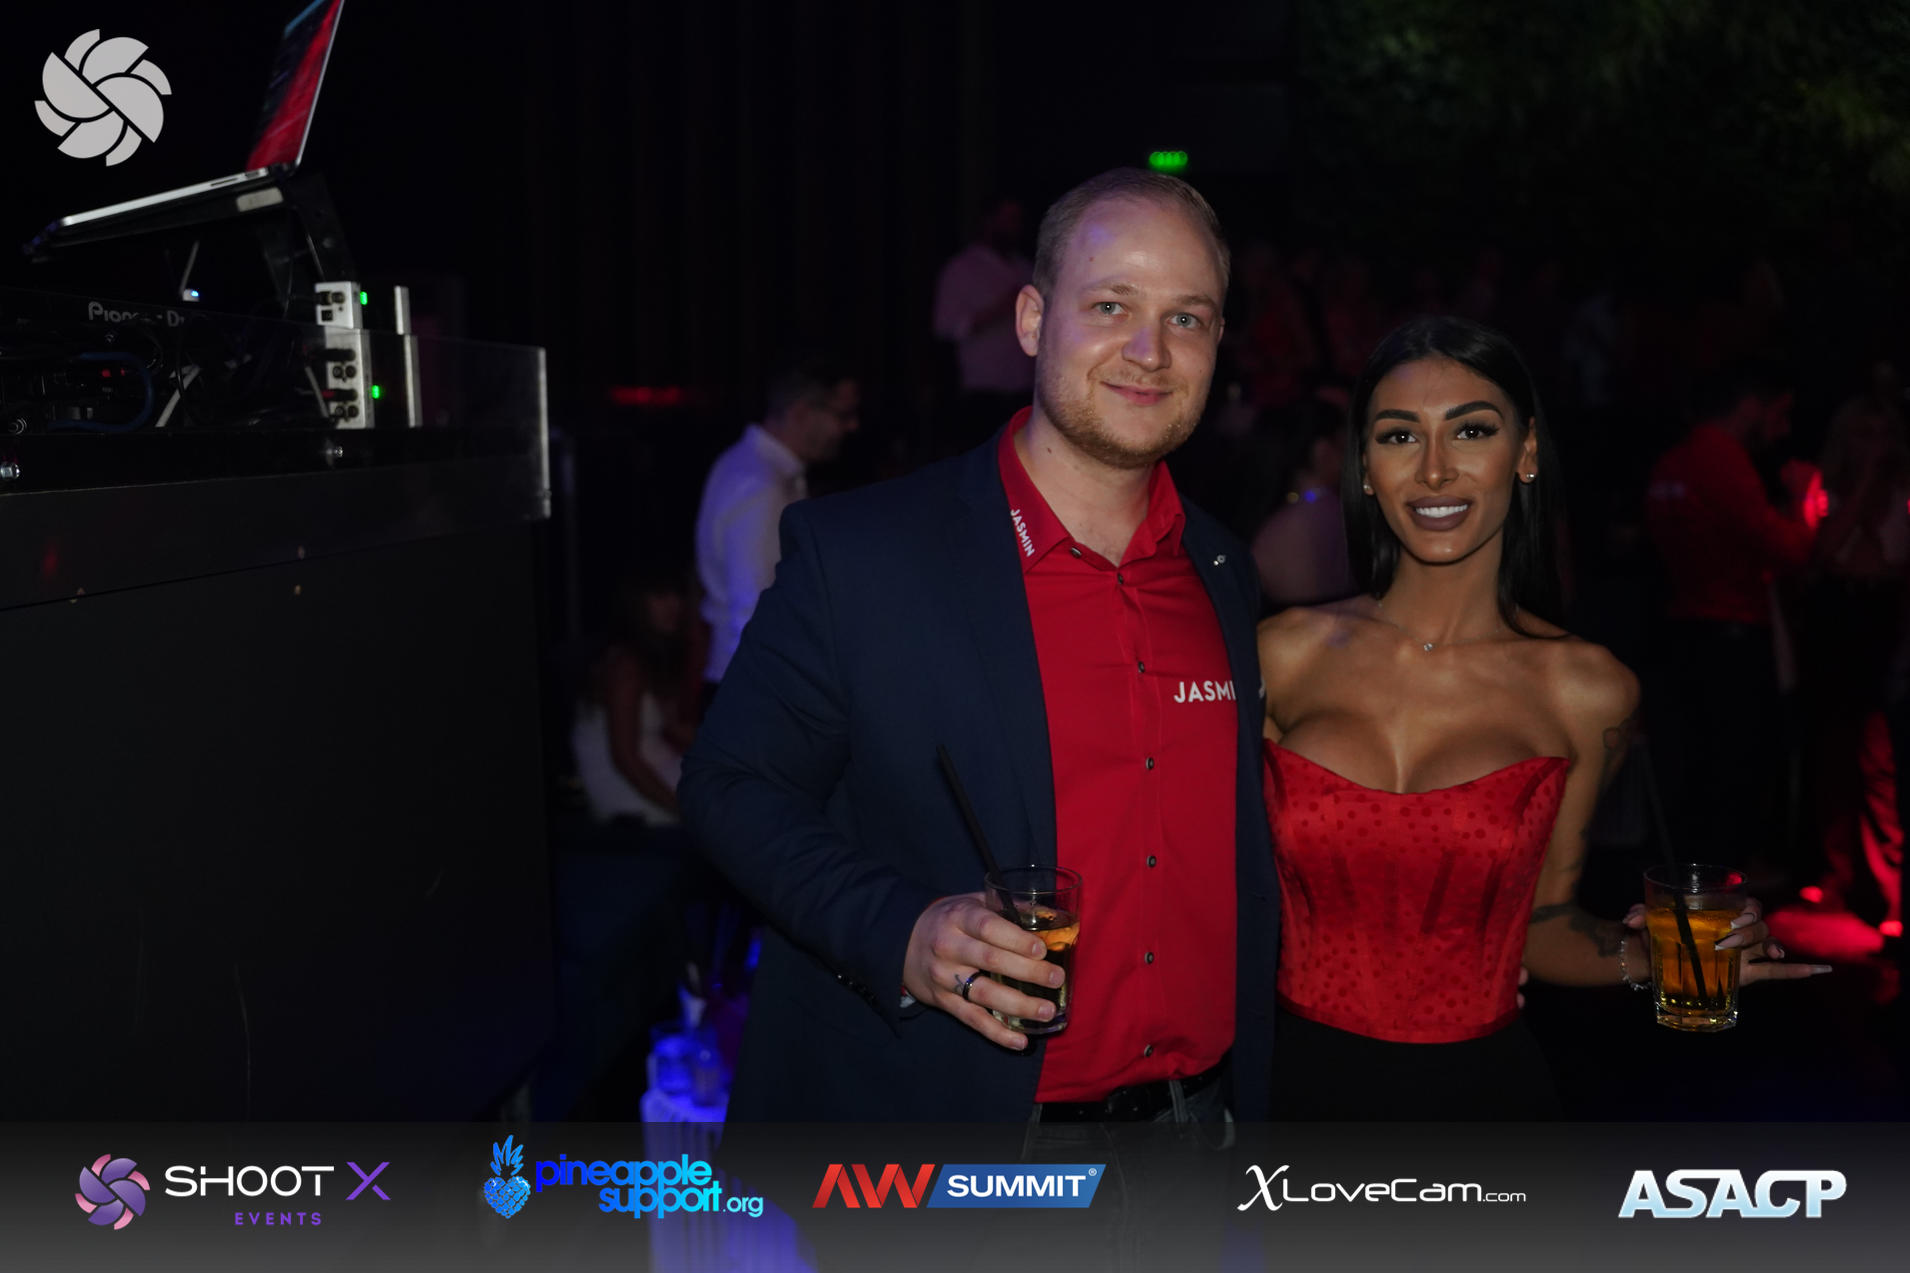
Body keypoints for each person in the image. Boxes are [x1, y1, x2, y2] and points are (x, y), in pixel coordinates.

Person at [678, 169, 1277, 1124]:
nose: (1150, 350)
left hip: (1197, 1136)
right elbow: (729, 785)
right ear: (1032, 321)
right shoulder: (866, 555)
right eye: (1112, 305)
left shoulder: (1222, 571)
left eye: (1187, 318)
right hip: (956, 1138)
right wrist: (903, 931)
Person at [1254, 316, 1827, 1120]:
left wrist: (1656, 955)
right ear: (1366, 467)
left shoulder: (1588, 689)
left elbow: (1543, 926)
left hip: (1486, 1107)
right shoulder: (1280, 655)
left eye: (1472, 430)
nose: (1434, 468)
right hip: (1293, 1097)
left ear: (1524, 452)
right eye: (1398, 436)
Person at [1644, 362, 1815, 870]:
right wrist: (1804, 502)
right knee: (1732, 774)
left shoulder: (1672, 461)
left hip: (1684, 631)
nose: (1782, 430)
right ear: (1750, 405)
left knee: (1696, 773)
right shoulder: (1723, 461)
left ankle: (1695, 881)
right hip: (1731, 637)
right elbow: (1787, 549)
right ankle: (1719, 889)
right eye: (1779, 414)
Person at [692, 361, 859, 714]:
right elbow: (754, 609)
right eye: (842, 414)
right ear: (801, 412)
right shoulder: (761, 485)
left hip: (751, 686)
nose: (852, 426)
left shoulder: (760, 470)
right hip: (755, 692)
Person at [932, 195, 1036, 450]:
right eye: (1008, 219)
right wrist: (997, 310)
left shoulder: (1024, 267)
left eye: (1018, 219)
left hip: (1025, 390)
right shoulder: (963, 269)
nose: (1015, 226)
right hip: (983, 394)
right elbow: (945, 326)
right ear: (989, 220)